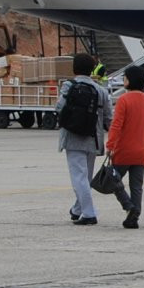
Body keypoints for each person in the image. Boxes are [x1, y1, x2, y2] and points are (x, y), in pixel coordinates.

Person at [52, 53, 112, 226]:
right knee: (85, 178)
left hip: (72, 137)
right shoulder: (100, 89)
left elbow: (59, 107)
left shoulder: (69, 86)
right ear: (93, 68)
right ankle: (78, 209)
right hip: (93, 139)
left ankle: (89, 213)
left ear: (74, 68)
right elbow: (109, 116)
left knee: (79, 178)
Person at [105, 64, 144, 228]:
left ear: (129, 81)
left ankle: (128, 205)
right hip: (142, 150)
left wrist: (110, 145)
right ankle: (134, 216)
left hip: (124, 150)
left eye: (125, 77)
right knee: (137, 186)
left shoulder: (124, 100)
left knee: (113, 180)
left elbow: (116, 125)